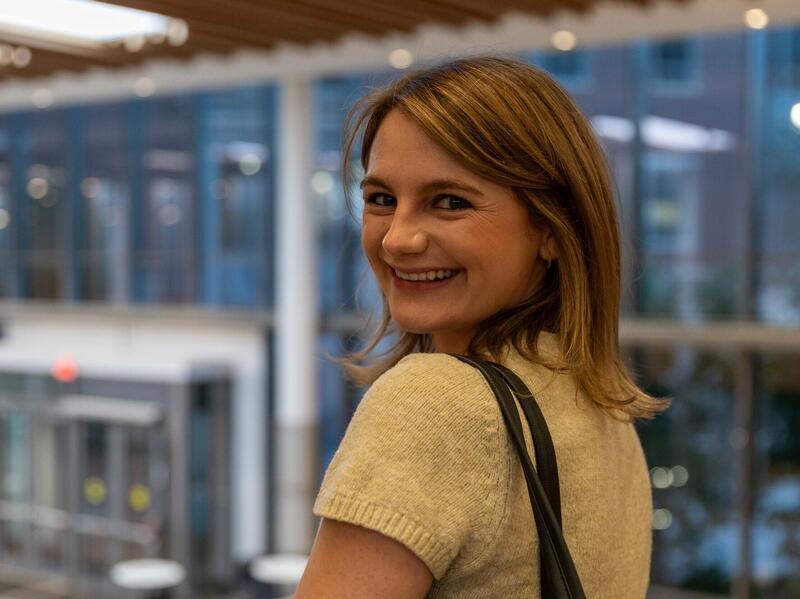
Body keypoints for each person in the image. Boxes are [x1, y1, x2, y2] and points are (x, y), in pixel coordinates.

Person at [294, 55, 670, 599]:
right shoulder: (603, 405)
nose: (398, 238)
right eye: (380, 199)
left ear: (550, 228)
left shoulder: (436, 403)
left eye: (449, 202)